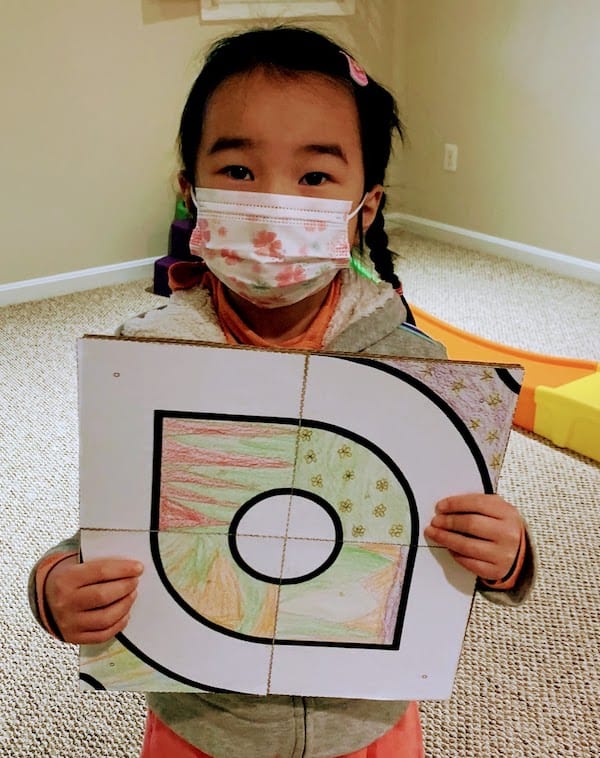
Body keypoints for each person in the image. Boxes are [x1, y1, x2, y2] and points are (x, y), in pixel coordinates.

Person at [29, 26, 534, 758]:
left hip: (367, 721)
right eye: (237, 170)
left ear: (365, 208)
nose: (272, 204)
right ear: (190, 193)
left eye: (315, 178)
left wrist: (506, 553)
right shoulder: (148, 360)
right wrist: (58, 585)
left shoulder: (414, 368)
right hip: (201, 722)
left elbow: (444, 545)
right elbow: (118, 530)